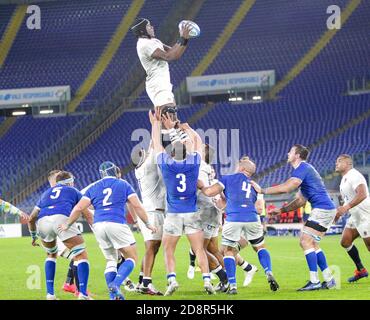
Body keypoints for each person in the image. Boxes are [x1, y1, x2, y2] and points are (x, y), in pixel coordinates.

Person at [59, 161, 156, 300]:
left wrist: (67, 224)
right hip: (116, 223)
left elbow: (79, 208)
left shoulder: (95, 186)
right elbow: (137, 205)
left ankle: (113, 297)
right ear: (116, 172)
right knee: (132, 257)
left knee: (111, 260)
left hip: (98, 226)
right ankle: (115, 284)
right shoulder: (123, 184)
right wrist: (147, 223)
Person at [252, 144, 336, 291]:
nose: (287, 153)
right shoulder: (306, 170)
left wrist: (263, 190)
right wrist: (282, 210)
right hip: (325, 209)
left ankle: (315, 281)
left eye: (290, 151)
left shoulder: (303, 168)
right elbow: (301, 200)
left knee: (305, 241)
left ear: (297, 155)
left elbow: (287, 186)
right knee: (312, 244)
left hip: (322, 209)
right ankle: (329, 279)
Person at [150, 107, 215, 296]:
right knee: (199, 249)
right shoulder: (194, 162)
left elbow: (156, 143)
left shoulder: (166, 163)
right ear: (186, 152)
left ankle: (171, 280)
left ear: (172, 153)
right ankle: (207, 281)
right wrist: (182, 128)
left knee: (168, 249)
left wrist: (156, 123)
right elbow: (197, 142)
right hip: (192, 211)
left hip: (173, 214)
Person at [199, 156, 279, 294]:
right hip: (253, 218)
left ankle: (233, 285)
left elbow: (209, 192)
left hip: (234, 218)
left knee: (228, 251)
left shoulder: (228, 178)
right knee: (260, 247)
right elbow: (250, 203)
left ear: (241, 168)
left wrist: (200, 185)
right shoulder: (254, 185)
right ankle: (268, 271)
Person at [28, 171, 92, 300]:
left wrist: (34, 236)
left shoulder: (45, 193)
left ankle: (50, 294)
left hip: (42, 222)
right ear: (68, 182)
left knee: (51, 255)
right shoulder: (72, 190)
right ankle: (83, 294)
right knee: (81, 255)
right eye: (72, 181)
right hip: (61, 219)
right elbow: (84, 209)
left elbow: (31, 218)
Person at [131, 17, 193, 148]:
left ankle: (167, 153)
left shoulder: (153, 41)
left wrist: (184, 38)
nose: (152, 27)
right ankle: (167, 155)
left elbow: (174, 51)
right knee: (169, 119)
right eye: (149, 26)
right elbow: (170, 56)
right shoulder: (144, 44)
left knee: (171, 121)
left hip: (161, 85)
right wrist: (183, 38)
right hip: (157, 85)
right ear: (142, 30)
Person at [132, 141, 166, 295]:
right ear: (142, 158)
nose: (146, 151)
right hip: (153, 212)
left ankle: (141, 282)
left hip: (152, 211)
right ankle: (147, 283)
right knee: (152, 247)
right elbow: (155, 145)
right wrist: (156, 123)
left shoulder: (141, 169)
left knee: (153, 248)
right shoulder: (146, 166)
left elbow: (153, 145)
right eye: (143, 152)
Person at [335, 154, 369, 282]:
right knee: (345, 241)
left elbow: (363, 194)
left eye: (339, 161)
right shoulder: (344, 179)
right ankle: (361, 270)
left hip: (365, 214)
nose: (336, 164)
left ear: (348, 164)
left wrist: (347, 206)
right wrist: (339, 212)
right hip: (355, 215)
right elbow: (348, 199)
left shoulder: (354, 175)